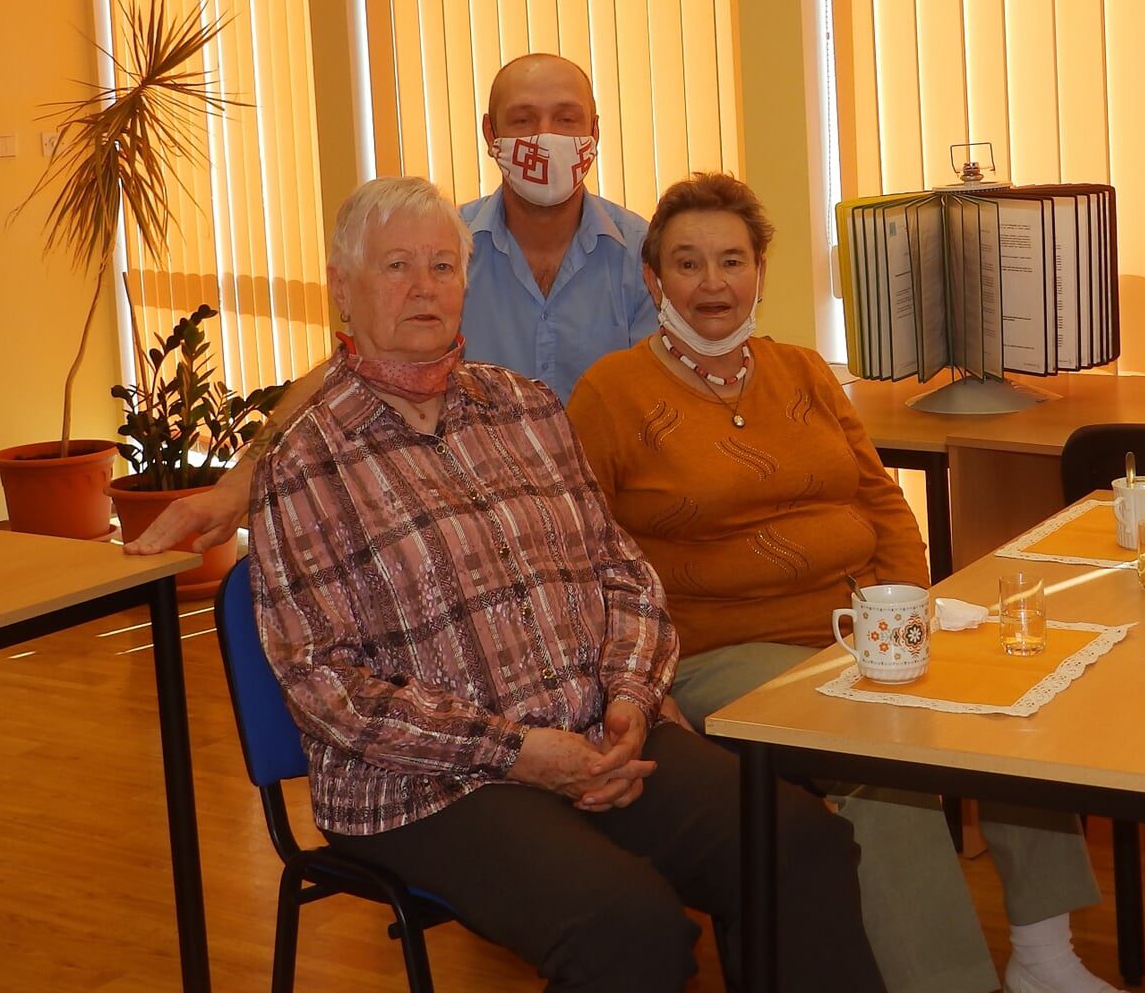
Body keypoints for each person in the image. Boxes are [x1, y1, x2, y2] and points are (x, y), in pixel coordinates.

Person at [248, 175, 886, 993]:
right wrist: (518, 753)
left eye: (442, 266)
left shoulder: (526, 409)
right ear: (342, 287)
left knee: (798, 845)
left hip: (599, 734)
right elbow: (327, 687)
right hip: (427, 785)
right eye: (396, 266)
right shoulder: (306, 460)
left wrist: (631, 697)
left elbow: (623, 575)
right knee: (628, 928)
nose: (424, 287)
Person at [568, 172, 1119, 993]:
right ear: (653, 280)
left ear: (760, 272)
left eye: (732, 260)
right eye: (687, 263)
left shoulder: (802, 370)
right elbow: (583, 558)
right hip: (721, 649)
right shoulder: (611, 393)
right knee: (881, 758)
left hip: (861, 625)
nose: (713, 283)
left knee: (1010, 702)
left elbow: (878, 500)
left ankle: (1044, 957)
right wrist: (636, 685)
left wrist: (910, 605)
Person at [126, 51, 652, 557]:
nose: (546, 136)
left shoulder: (646, 258)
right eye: (523, 120)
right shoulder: (442, 253)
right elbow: (349, 371)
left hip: (618, 527)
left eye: (566, 119)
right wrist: (233, 488)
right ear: (491, 134)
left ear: (594, 130)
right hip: (478, 530)